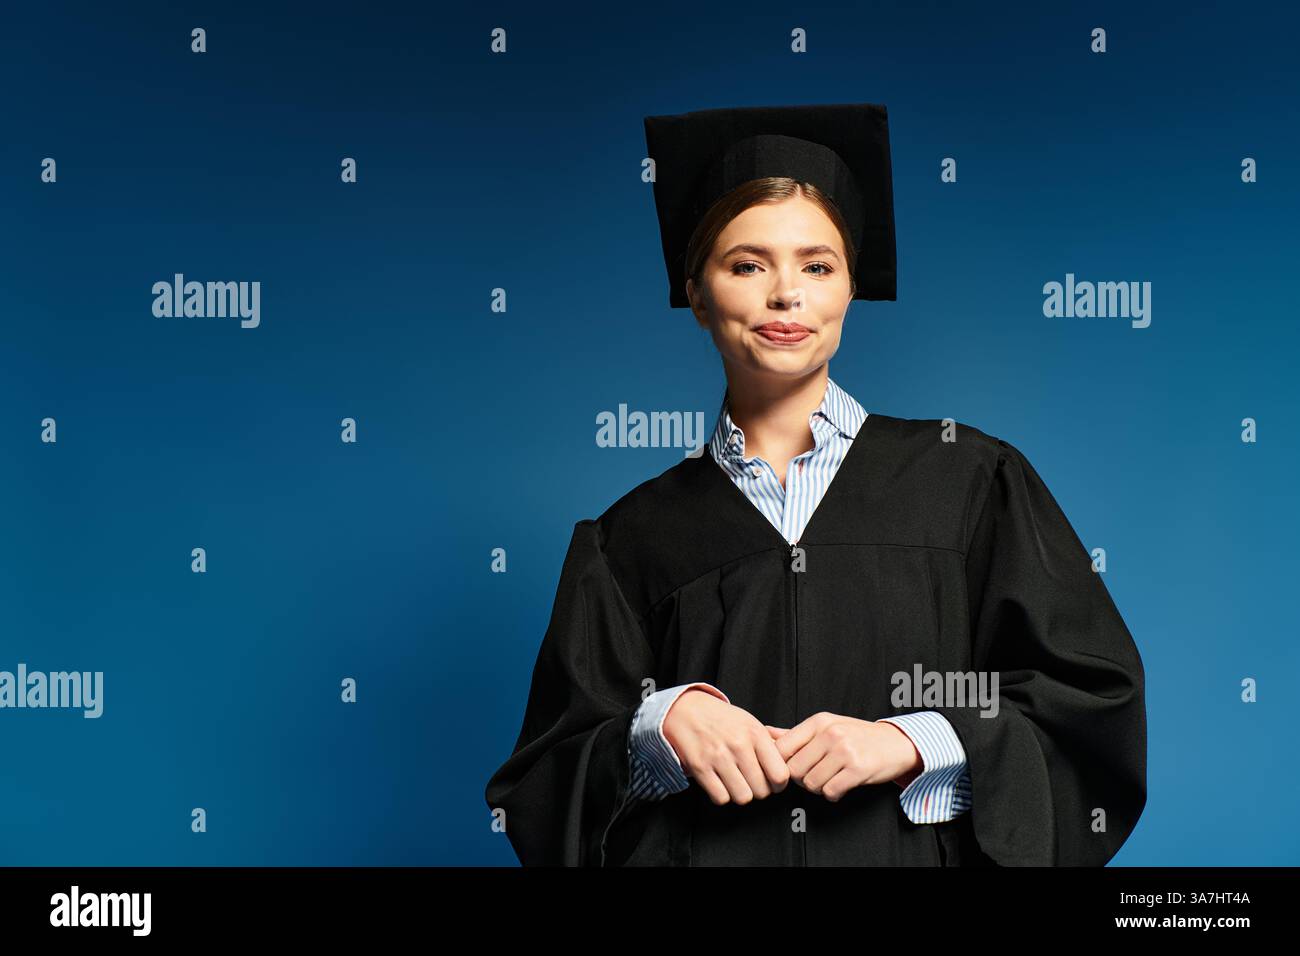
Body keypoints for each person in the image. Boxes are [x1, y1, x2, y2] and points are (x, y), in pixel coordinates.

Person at [483, 103, 1147, 866]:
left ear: (848, 289)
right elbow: (540, 796)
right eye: (747, 264)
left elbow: (1092, 712)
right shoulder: (630, 538)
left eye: (817, 264)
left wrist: (914, 738)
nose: (785, 295)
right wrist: (655, 729)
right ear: (698, 295)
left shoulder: (967, 479)